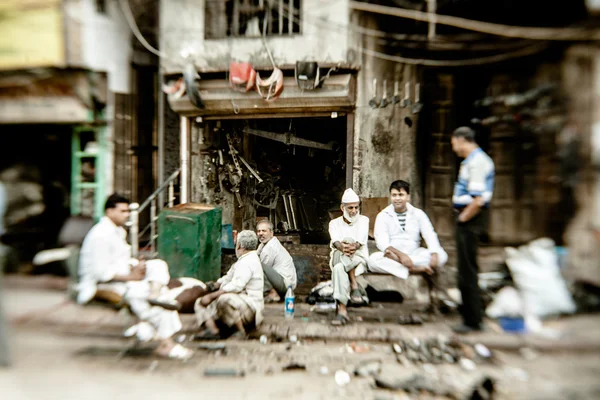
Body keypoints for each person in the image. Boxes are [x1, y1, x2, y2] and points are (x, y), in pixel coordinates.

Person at [77, 194, 192, 359]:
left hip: (124, 275)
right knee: (142, 294)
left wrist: (136, 266)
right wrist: (132, 277)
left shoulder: (117, 231)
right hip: (101, 284)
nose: (127, 215)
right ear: (109, 211)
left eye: (127, 211)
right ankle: (166, 343)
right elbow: (100, 273)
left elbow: (119, 260)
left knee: (158, 265)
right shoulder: (100, 235)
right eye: (122, 211)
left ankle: (155, 293)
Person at [451, 126, 495, 333]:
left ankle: (472, 320)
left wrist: (462, 218)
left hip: (470, 220)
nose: (454, 149)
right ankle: (470, 317)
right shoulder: (473, 161)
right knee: (466, 268)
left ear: (461, 140)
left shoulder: (477, 162)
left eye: (454, 144)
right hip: (468, 219)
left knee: (467, 269)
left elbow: (478, 200)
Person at [368, 180, 448, 279]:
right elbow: (382, 243)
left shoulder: (418, 214)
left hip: (413, 253)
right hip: (394, 254)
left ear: (408, 197)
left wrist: (434, 253)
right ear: (390, 196)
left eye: (401, 195)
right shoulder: (383, 215)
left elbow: (429, 234)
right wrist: (401, 256)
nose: (397, 198)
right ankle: (413, 269)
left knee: (442, 256)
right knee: (372, 260)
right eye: (394, 195)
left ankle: (402, 266)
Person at [194, 230, 264, 339]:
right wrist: (215, 285)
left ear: (240, 245)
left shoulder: (248, 261)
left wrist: (211, 296)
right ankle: (213, 331)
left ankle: (240, 332)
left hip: (251, 308)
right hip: (242, 305)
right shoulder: (243, 260)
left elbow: (237, 285)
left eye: (236, 242)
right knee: (199, 302)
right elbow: (228, 277)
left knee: (224, 299)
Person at [328, 188, 369, 326]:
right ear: (342, 207)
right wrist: (343, 247)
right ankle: (354, 284)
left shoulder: (364, 220)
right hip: (339, 256)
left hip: (358, 259)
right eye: (350, 207)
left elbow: (359, 243)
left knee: (339, 269)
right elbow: (336, 242)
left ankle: (342, 310)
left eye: (356, 207)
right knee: (345, 242)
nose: (354, 211)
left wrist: (350, 246)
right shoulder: (334, 223)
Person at [256, 220, 297, 302]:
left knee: (257, 265)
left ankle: (271, 293)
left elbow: (260, 271)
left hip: (285, 285)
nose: (260, 233)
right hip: (283, 283)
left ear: (271, 233)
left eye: (264, 231)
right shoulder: (264, 245)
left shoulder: (271, 247)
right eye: (258, 231)